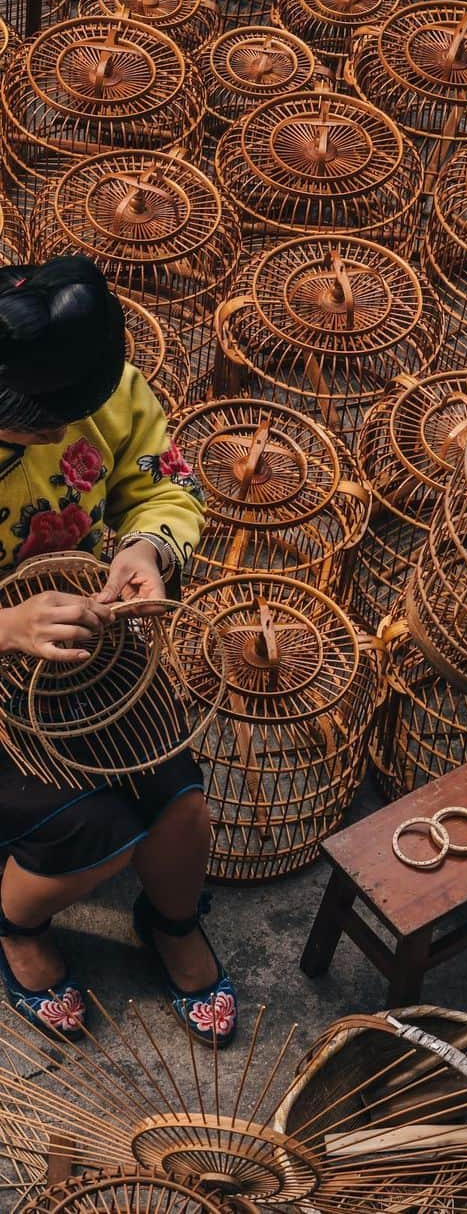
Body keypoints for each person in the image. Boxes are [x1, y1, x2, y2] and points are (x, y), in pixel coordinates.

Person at [0, 256, 236, 1047]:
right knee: (92, 833)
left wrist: (147, 549)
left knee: (182, 808)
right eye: (41, 428)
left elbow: (161, 483)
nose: (68, 438)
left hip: (93, 648)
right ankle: (16, 927)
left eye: (78, 415)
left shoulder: (108, 391)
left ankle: (169, 924)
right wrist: (5, 629)